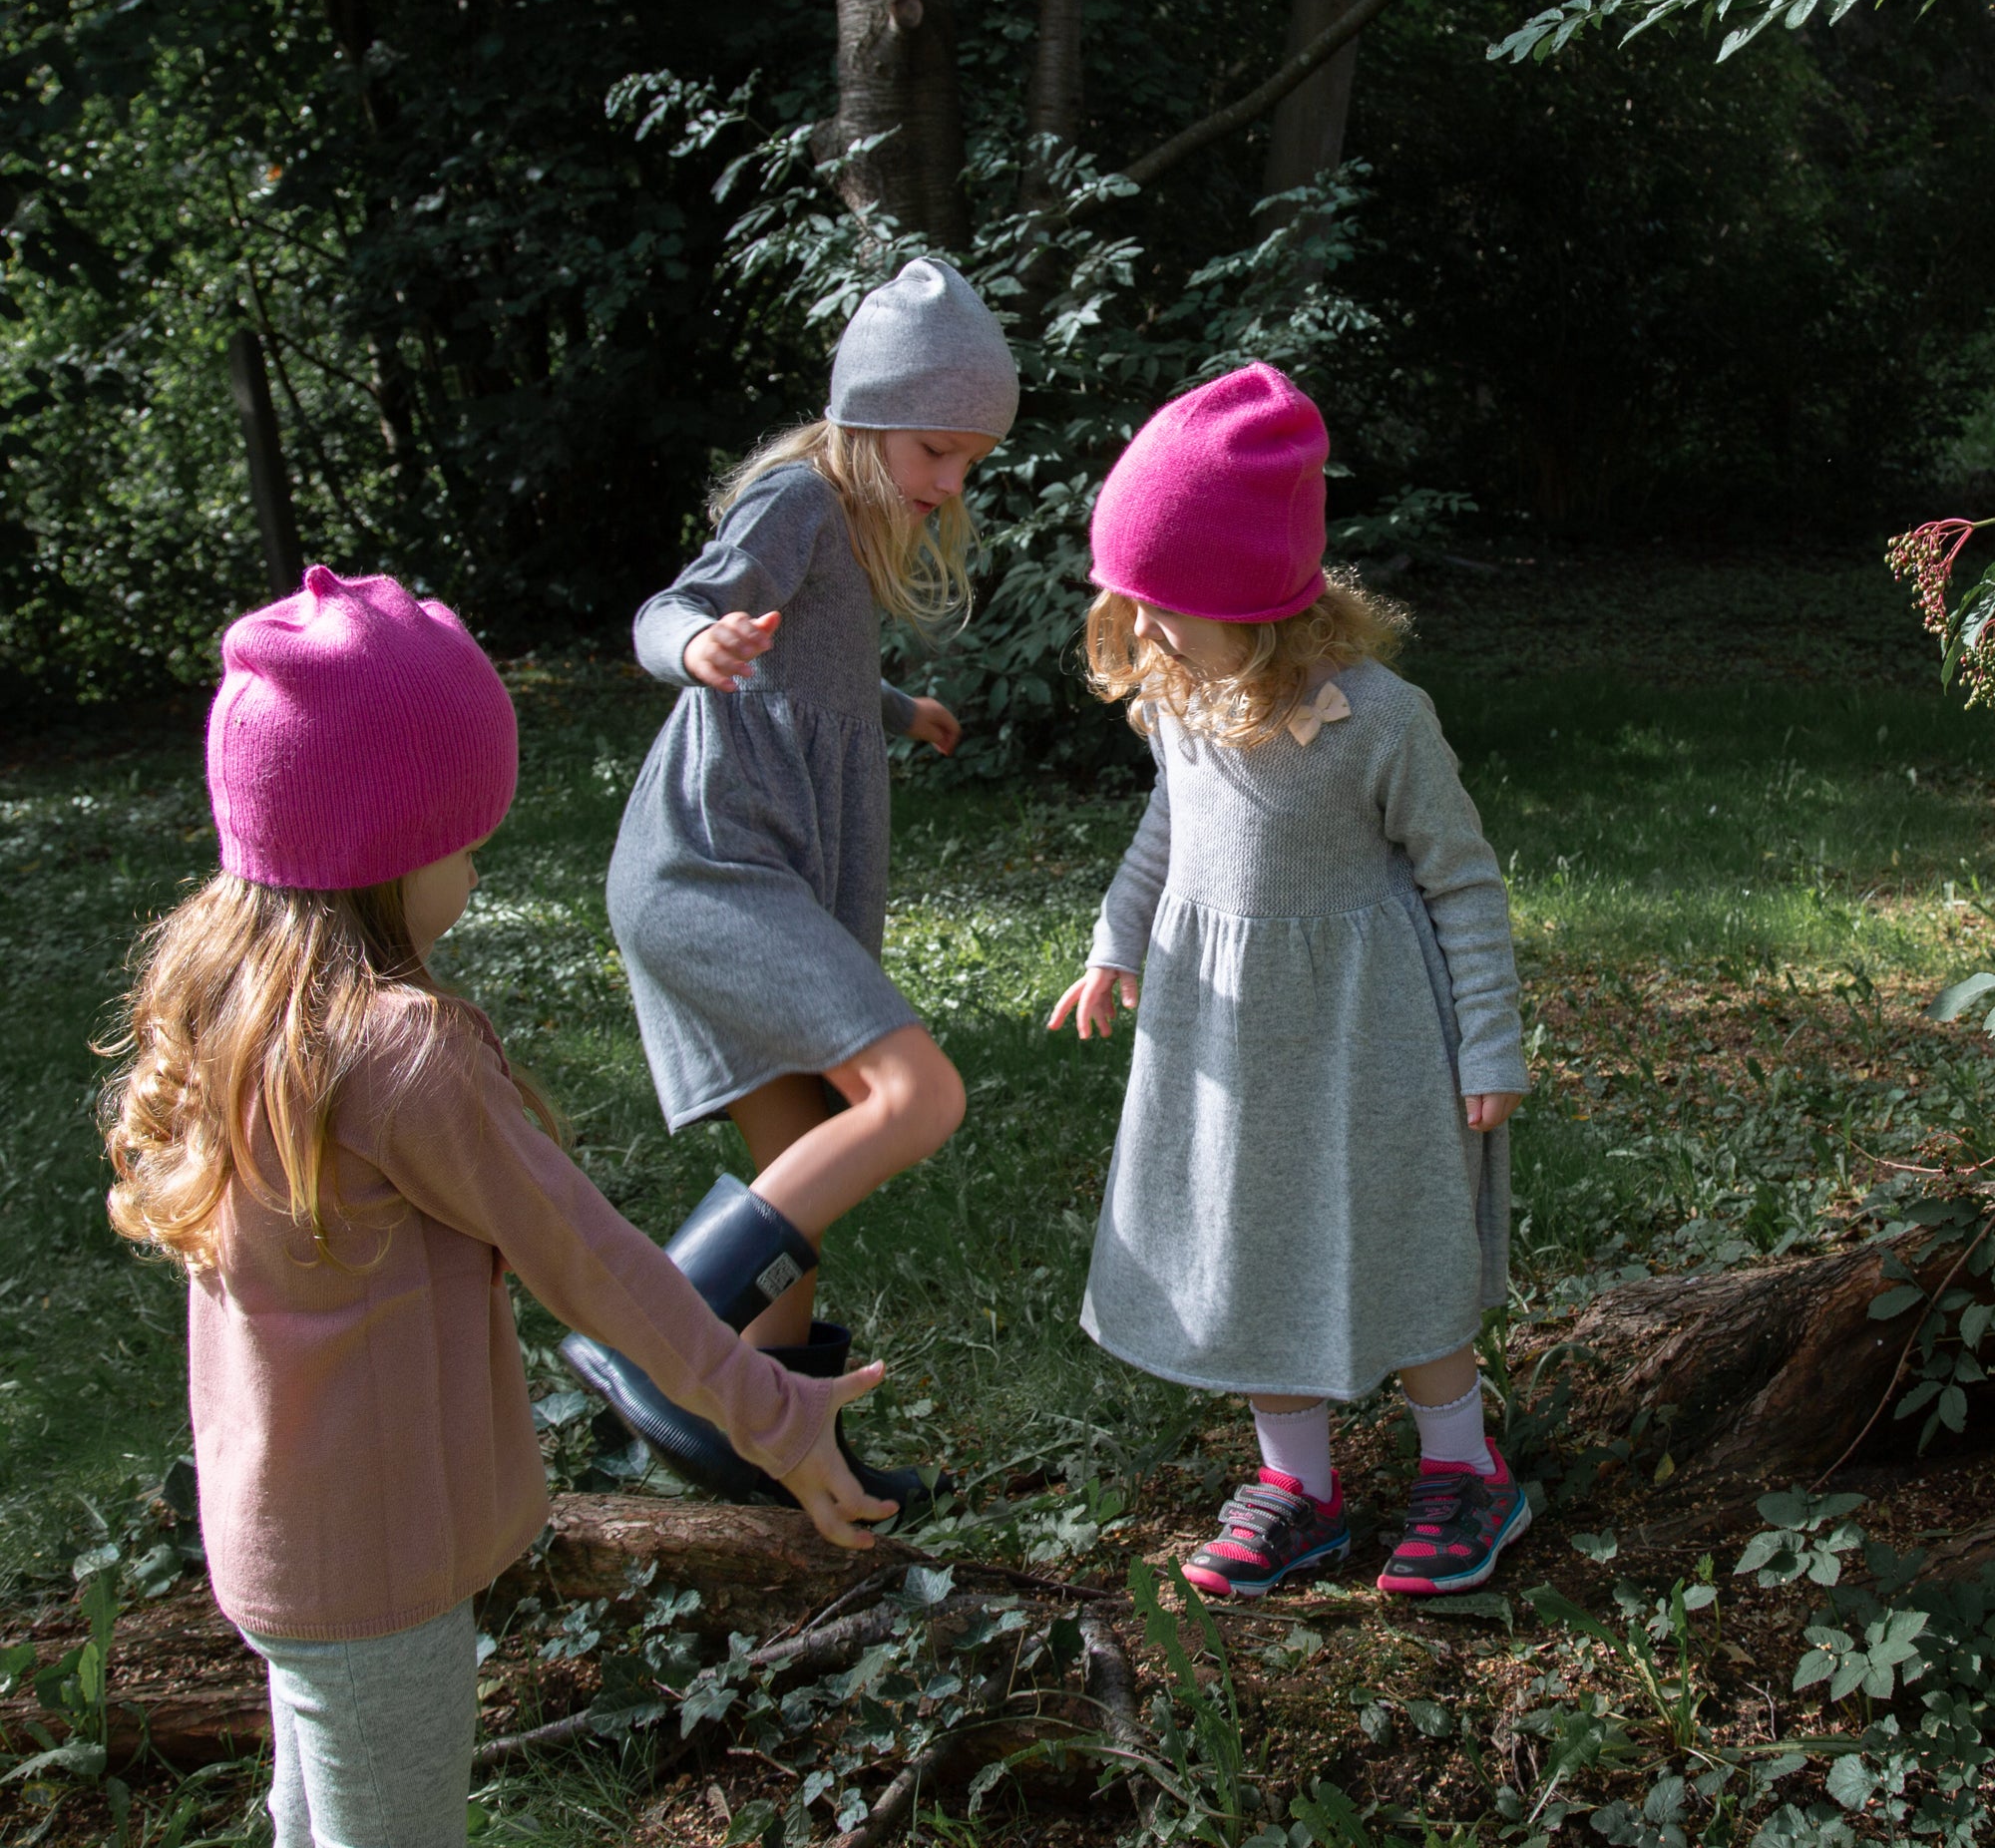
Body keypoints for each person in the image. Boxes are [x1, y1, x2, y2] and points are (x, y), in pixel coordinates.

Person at [102, 567, 895, 1848]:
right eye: (466, 844)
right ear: (391, 846)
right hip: (381, 1571)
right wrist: (771, 1409)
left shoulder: (230, 1008)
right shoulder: (398, 1052)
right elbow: (591, 1262)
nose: (473, 868)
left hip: (273, 1551)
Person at [1047, 364, 1532, 1599]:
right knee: (1248, 1238)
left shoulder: (1377, 720)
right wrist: (1114, 942)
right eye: (1132, 601)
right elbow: (1166, 832)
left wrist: (1488, 1042)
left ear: (1258, 600)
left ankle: (1462, 1466)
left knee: (1400, 1235)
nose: (1142, 628)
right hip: (1228, 1037)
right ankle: (1298, 1485)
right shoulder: (1179, 699)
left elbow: (1462, 881)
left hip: (1369, 1037)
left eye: (1166, 603)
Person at [563, 257, 1017, 1514]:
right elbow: (678, 609)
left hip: (744, 871)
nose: (947, 483)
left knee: (809, 1146)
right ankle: (648, 1332)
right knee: (912, 1093)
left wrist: (891, 705)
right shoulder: (798, 497)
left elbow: (802, 668)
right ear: (867, 413)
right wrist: (693, 643)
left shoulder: (848, 523)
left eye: (967, 462)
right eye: (936, 449)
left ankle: (759, 1436)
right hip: (712, 867)